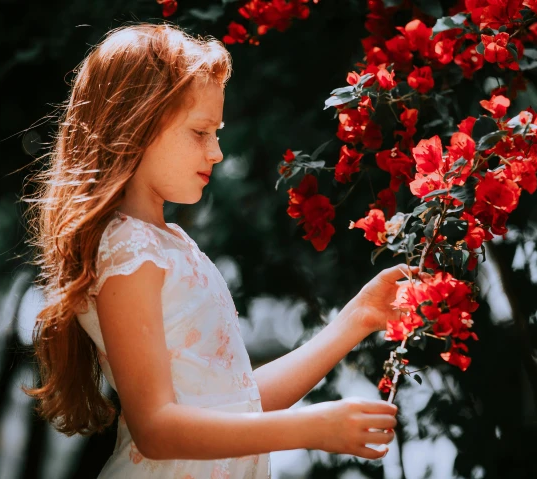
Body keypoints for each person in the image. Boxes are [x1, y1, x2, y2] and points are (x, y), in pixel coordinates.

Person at [21, 22, 416, 478]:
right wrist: (307, 428)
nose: (217, 153)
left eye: (217, 132)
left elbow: (238, 402)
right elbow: (156, 429)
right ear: (138, 124)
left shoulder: (166, 243)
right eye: (200, 132)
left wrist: (359, 317)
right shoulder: (128, 249)